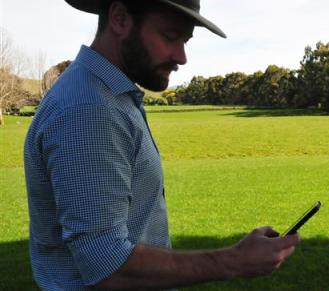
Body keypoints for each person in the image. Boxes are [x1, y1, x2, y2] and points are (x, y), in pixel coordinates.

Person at [23, 0, 300, 290]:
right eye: (170, 36)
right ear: (119, 18)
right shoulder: (89, 108)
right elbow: (107, 265)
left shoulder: (109, 96)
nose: (181, 57)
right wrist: (233, 260)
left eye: (185, 41)